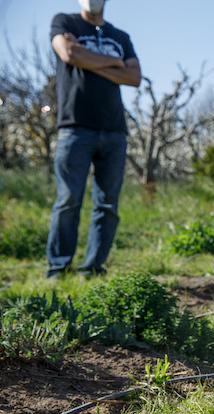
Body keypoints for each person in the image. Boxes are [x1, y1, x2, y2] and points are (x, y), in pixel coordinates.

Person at [46, 0, 141, 278]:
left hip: (114, 130)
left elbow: (134, 76)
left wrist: (87, 59)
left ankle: (92, 269)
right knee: (68, 201)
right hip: (75, 127)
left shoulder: (120, 36)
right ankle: (57, 269)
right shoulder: (64, 22)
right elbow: (69, 53)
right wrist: (114, 62)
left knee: (108, 204)